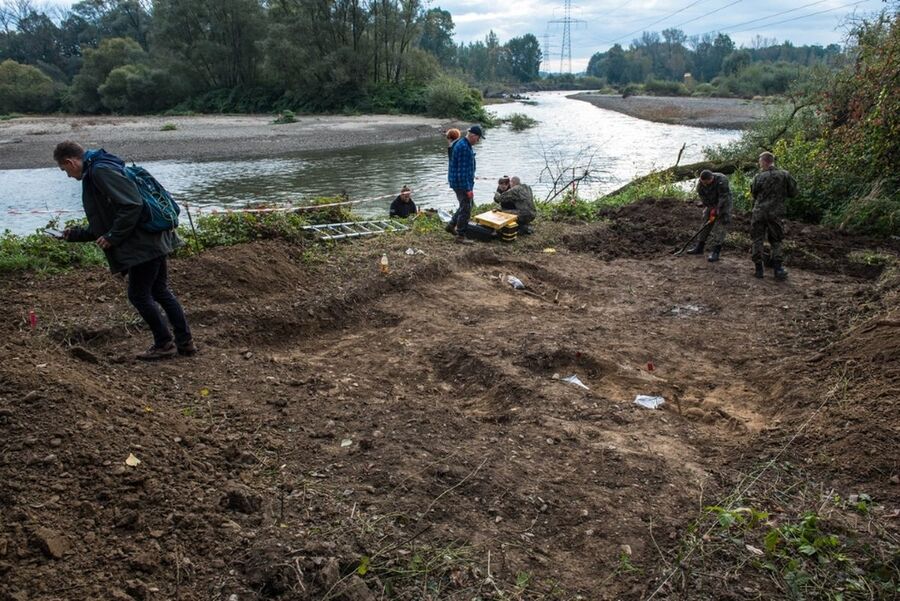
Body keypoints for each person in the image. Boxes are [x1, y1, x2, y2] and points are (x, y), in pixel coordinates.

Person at [53, 141, 196, 360]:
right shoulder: (102, 166)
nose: (68, 176)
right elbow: (108, 218)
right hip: (152, 239)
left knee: (139, 295)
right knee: (159, 291)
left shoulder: (99, 172)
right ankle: (184, 343)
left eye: (65, 170)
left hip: (143, 244)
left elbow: (132, 205)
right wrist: (75, 234)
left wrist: (113, 237)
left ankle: (164, 343)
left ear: (70, 162)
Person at [750, 151, 798, 280]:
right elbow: (793, 192)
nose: (759, 164)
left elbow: (754, 193)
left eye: (760, 162)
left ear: (765, 162)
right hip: (775, 213)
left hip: (759, 212)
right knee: (776, 241)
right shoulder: (784, 175)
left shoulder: (758, 177)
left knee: (757, 239)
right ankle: (778, 269)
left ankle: (759, 269)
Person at [446, 125, 484, 244]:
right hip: (461, 183)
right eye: (478, 139)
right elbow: (461, 172)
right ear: (473, 136)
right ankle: (461, 236)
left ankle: (451, 225)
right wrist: (468, 189)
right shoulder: (463, 147)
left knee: (465, 204)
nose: (478, 141)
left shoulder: (465, 144)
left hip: (461, 181)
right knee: (466, 208)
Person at [686, 169, 733, 262]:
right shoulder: (700, 185)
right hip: (711, 204)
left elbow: (724, 197)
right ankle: (699, 247)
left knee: (720, 227)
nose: (705, 184)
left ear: (712, 178)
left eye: (707, 182)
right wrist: (711, 209)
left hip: (724, 204)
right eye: (704, 183)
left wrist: (718, 209)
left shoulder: (722, 180)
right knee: (705, 223)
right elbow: (704, 200)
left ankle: (715, 251)